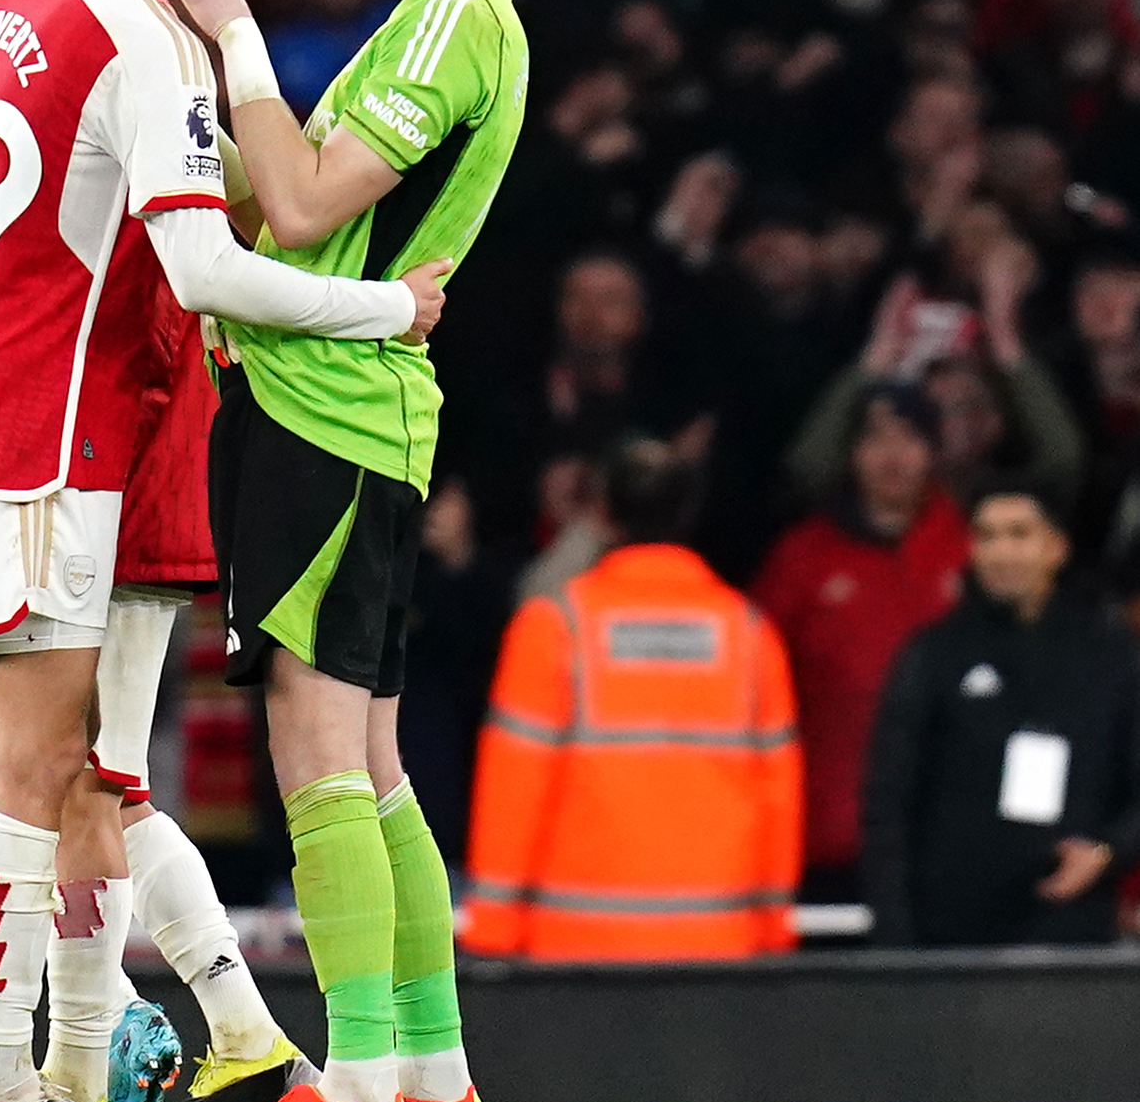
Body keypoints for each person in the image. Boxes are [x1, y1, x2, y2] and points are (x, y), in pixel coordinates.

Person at [0, 0, 444, 1102]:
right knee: (37, 762)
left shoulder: (0, 1)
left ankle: (34, 1070)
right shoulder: (131, 32)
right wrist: (386, 306)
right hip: (44, 435)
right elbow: (201, 265)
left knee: (44, 752)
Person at [141, 0, 544, 1102]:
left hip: (322, 400)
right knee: (369, 759)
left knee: (313, 743)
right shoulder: (439, 27)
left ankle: (359, 1081)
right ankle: (430, 1068)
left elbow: (306, 204)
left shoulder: (447, 26)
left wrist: (235, 28)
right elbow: (291, 200)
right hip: (364, 404)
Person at [462, 441, 803, 962]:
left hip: (574, 950)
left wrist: (493, 931)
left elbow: (514, 789)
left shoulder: (554, 628)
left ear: (603, 513)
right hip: (718, 947)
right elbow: (779, 797)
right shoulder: (750, 636)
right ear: (690, 513)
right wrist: (772, 928)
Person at [862, 483, 1140, 947]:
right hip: (951, 935)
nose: (1000, 552)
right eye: (986, 537)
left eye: (1018, 534)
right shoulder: (934, 656)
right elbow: (888, 805)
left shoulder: (1110, 657)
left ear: (1056, 547)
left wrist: (1108, 852)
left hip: (1069, 928)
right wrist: (893, 937)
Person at [752, 385, 967, 901]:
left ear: (935, 452)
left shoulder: (974, 551)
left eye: (910, 439)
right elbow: (753, 688)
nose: (892, 456)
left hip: (943, 840)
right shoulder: (801, 560)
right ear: (850, 453)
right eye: (875, 439)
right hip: (828, 837)